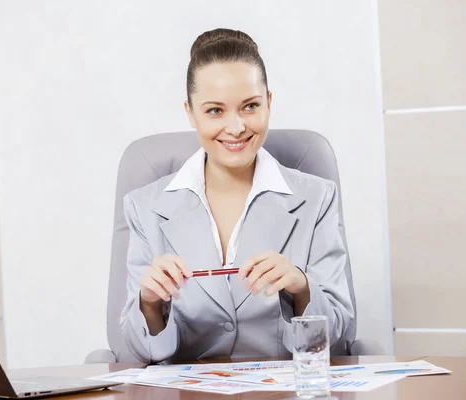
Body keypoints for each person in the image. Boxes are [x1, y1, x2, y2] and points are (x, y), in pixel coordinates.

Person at [120, 28, 353, 363]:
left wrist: (302, 289)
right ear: (190, 112)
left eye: (250, 106)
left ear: (268, 104)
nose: (236, 127)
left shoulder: (316, 198)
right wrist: (150, 302)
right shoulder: (145, 207)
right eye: (215, 110)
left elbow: (340, 338)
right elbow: (135, 353)